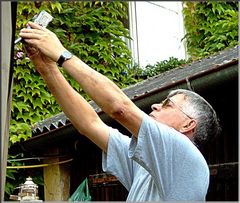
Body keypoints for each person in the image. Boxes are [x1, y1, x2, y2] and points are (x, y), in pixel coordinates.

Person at [19, 22, 221, 201]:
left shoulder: (185, 154)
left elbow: (120, 108)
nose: (155, 106)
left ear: (188, 124)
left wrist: (62, 54)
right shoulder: (148, 164)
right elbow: (89, 124)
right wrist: (47, 68)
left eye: (167, 104)